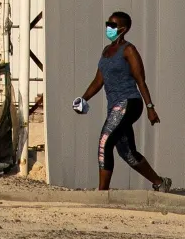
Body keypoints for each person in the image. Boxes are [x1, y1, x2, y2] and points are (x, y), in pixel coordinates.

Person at [71, 10, 173, 193]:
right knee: (127, 153)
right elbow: (98, 80)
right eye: (107, 25)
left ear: (123, 29)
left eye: (112, 26)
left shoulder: (129, 50)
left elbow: (140, 80)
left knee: (105, 142)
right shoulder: (106, 51)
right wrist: (83, 99)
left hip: (129, 102)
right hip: (115, 107)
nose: (108, 28)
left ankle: (102, 191)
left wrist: (150, 107)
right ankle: (160, 182)